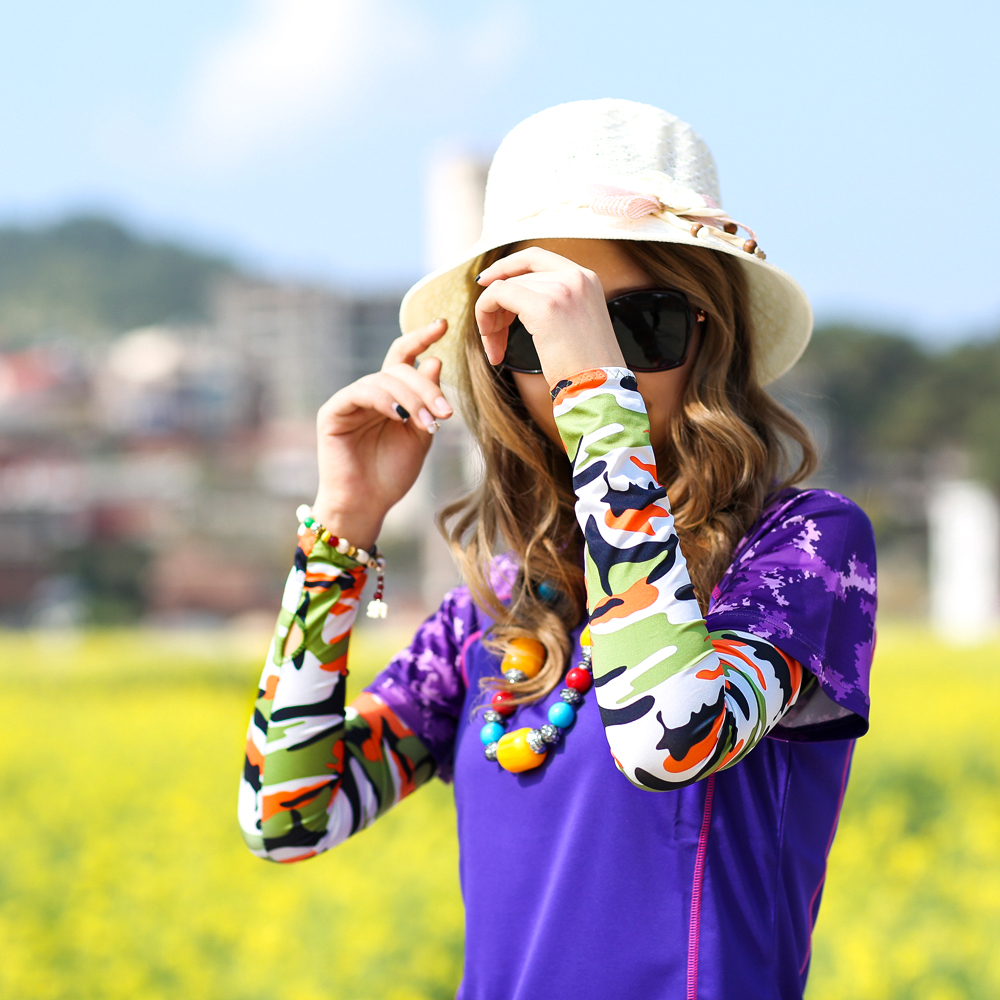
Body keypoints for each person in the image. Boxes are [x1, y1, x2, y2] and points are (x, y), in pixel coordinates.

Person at [238, 99, 876, 1000]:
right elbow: (288, 819)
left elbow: (669, 736)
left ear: (712, 336)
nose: (593, 367)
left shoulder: (805, 545)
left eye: (638, 326)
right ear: (501, 363)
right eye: (549, 332)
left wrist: (590, 391)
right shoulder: (497, 609)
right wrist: (344, 523)